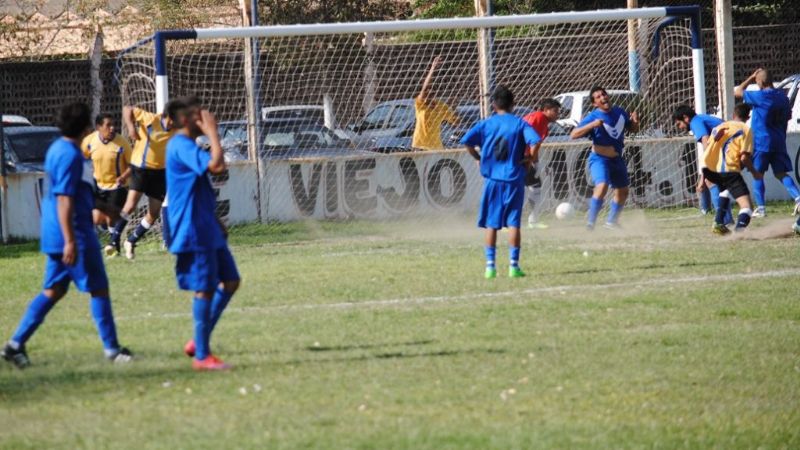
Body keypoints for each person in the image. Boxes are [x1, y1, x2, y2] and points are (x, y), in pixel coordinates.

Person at [1, 103, 132, 368]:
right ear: (86, 127)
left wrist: (105, 208)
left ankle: (14, 345)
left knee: (54, 290)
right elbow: (64, 199)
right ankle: (112, 350)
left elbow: (78, 191)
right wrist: (71, 240)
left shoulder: (60, 149)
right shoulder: (70, 155)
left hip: (56, 233)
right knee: (98, 288)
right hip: (74, 234)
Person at [164, 96, 240, 371]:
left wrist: (215, 219)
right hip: (193, 228)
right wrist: (213, 133)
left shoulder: (187, 145)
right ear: (186, 119)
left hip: (206, 224)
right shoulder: (181, 145)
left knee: (231, 281)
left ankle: (198, 342)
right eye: (199, 114)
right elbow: (217, 166)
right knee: (204, 289)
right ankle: (202, 356)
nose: (205, 117)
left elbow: (197, 188)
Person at [461, 86, 541, 279]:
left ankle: (490, 268)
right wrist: (530, 158)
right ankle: (514, 267)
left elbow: (467, 141)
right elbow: (536, 141)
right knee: (513, 223)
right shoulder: (519, 123)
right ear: (513, 104)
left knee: (492, 223)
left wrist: (478, 158)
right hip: (514, 178)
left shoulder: (486, 124)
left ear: (494, 105)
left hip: (493, 180)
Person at [110, 104, 176, 259]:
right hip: (141, 168)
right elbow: (127, 109)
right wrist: (131, 127)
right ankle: (114, 241)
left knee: (154, 213)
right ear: (170, 117)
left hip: (160, 172)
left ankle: (131, 241)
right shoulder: (151, 119)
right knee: (131, 205)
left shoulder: (177, 130)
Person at [570, 86, 639, 229]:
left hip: (617, 159)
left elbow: (632, 129)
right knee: (602, 186)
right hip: (599, 159)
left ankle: (611, 222)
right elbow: (573, 134)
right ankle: (590, 224)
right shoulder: (593, 117)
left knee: (623, 192)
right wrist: (592, 125)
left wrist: (635, 122)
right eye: (598, 97)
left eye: (604, 94)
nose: (603, 97)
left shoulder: (620, 112)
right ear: (594, 103)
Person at [734, 68, 800, 217]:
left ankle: (761, 208)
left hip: (761, 141)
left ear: (761, 82)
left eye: (757, 81)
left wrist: (750, 77)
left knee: (758, 173)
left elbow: (738, 92)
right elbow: (788, 116)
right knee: (781, 173)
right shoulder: (783, 97)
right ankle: (798, 198)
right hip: (779, 140)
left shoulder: (760, 96)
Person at [700, 103, 760, 234]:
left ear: (733, 115)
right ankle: (738, 233)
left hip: (708, 168)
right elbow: (744, 158)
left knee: (726, 189)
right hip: (728, 170)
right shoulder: (745, 129)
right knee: (747, 207)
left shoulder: (720, 126)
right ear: (748, 117)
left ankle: (718, 222)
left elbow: (709, 148)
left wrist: (702, 178)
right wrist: (754, 172)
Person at [81, 113, 133, 256]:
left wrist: (123, 176)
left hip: (118, 186)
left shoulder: (121, 142)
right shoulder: (90, 141)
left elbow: (132, 164)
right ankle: (114, 242)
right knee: (97, 219)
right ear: (98, 127)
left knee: (111, 216)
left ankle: (113, 244)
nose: (112, 128)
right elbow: (80, 156)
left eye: (113, 125)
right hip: (99, 186)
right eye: (108, 125)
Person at [672, 105, 732, 222]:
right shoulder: (702, 119)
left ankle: (724, 221)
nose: (680, 128)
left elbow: (706, 142)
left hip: (731, 147)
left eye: (679, 124)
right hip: (735, 144)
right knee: (714, 181)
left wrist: (706, 171)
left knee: (711, 181)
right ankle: (723, 218)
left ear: (685, 118)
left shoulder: (695, 122)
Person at [522, 98, 561, 229]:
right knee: (518, 188)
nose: (558, 114)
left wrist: (536, 163)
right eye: (555, 111)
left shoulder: (542, 121)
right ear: (545, 110)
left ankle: (532, 221)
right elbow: (529, 141)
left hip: (523, 156)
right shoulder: (538, 118)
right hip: (518, 156)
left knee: (534, 185)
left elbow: (535, 145)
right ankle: (506, 222)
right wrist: (529, 160)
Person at [412, 56, 461, 151]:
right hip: (420, 146)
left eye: (430, 93)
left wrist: (454, 106)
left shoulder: (441, 107)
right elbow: (424, 88)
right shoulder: (420, 105)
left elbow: (457, 122)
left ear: (434, 94)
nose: (426, 96)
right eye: (425, 93)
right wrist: (433, 68)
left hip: (436, 147)